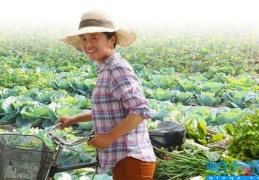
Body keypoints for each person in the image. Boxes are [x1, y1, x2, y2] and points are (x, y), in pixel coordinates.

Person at [56, 10, 156, 180]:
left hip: (131, 159)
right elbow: (111, 111)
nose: (88, 45)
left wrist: (110, 136)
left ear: (112, 39)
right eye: (84, 39)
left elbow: (140, 110)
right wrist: (75, 118)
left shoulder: (117, 69)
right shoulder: (106, 69)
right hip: (125, 161)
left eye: (94, 38)